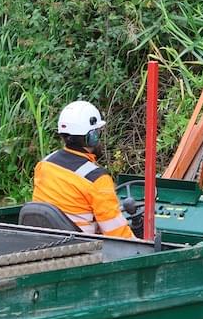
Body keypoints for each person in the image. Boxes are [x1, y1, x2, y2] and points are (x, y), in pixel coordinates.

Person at [32, 100, 135, 239]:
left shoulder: (44, 164)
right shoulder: (97, 179)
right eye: (98, 132)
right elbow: (118, 234)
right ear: (92, 137)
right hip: (81, 249)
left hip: (41, 242)